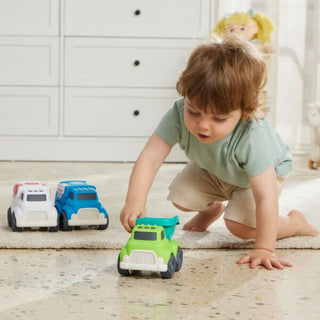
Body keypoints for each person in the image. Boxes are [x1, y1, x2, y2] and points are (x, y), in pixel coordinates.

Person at [120, 37, 318, 270]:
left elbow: (265, 197)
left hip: (259, 179)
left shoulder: (254, 137)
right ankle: (211, 209)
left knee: (240, 227)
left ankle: (294, 223)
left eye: (218, 118)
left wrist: (264, 248)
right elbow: (150, 158)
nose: (202, 125)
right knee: (181, 196)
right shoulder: (178, 112)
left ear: (245, 112)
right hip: (215, 168)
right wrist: (135, 201)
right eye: (194, 112)